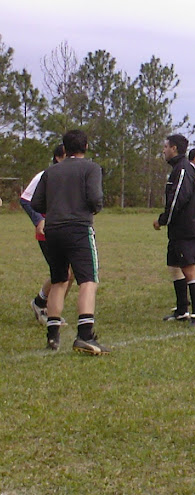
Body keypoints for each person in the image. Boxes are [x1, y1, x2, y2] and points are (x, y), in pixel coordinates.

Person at [31, 130, 109, 355]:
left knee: (59, 280)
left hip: (53, 230)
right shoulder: (91, 168)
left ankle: (53, 336)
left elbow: (37, 203)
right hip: (78, 228)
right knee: (88, 280)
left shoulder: (50, 171)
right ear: (85, 145)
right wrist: (94, 208)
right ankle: (85, 335)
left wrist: (56, 209)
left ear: (63, 149)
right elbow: (95, 198)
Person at [153, 134, 195, 328]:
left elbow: (178, 199)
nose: (164, 150)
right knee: (175, 267)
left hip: (188, 228)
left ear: (174, 148)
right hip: (178, 229)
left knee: (189, 269)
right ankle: (182, 310)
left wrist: (163, 220)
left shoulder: (183, 168)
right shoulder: (177, 168)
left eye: (166, 147)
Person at [20, 144, 74, 325]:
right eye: (67, 156)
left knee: (71, 272)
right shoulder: (45, 175)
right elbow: (25, 199)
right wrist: (38, 220)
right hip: (49, 231)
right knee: (62, 272)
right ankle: (45, 309)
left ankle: (45, 304)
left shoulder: (73, 177)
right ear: (58, 158)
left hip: (68, 229)